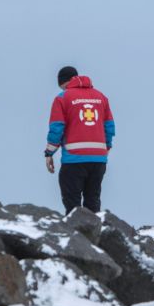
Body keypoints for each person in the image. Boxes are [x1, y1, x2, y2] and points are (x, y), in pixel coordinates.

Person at [44, 66, 115, 214]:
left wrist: (49, 153)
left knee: (73, 206)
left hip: (74, 160)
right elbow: (109, 126)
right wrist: (106, 147)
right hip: (98, 160)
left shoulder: (62, 98)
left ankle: (77, 234)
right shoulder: (101, 97)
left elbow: (57, 127)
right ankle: (95, 234)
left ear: (64, 82)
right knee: (93, 201)